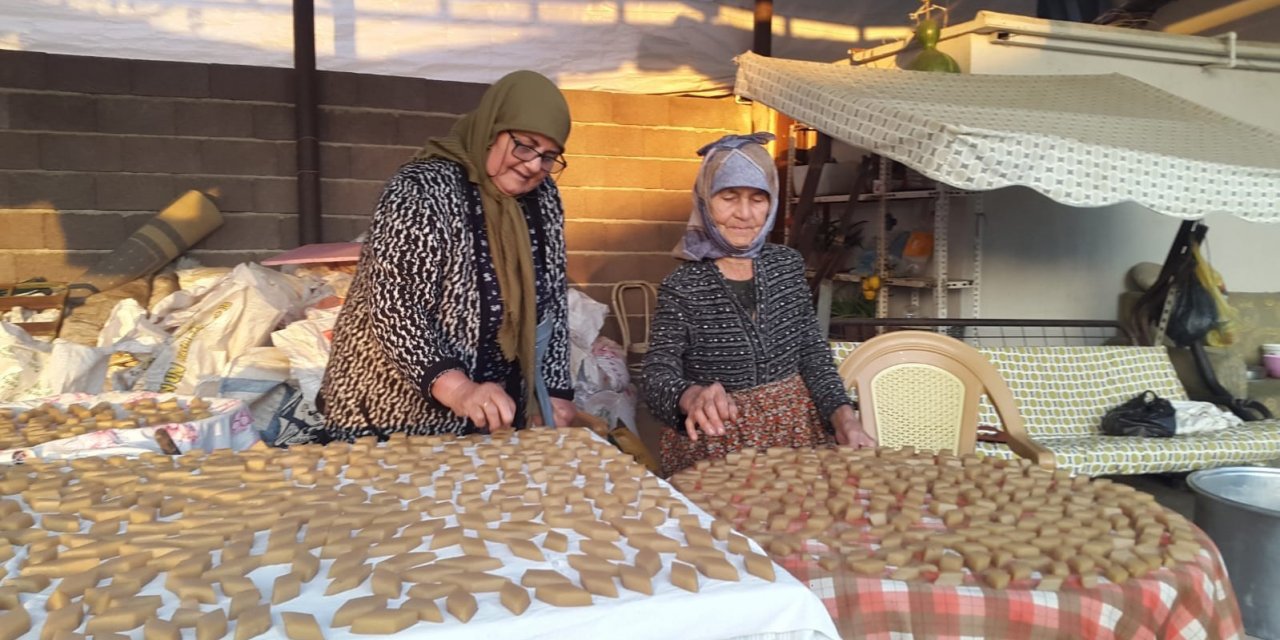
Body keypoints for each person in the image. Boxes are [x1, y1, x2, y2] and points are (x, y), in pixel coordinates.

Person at [316, 70, 577, 441]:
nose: (535, 165)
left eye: (549, 156)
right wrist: (458, 389)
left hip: (489, 412)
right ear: (493, 130)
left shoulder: (543, 198)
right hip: (392, 408)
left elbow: (552, 300)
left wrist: (554, 392)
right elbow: (396, 306)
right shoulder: (422, 188)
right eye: (525, 145)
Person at [642, 132, 874, 477]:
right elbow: (656, 374)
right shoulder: (684, 285)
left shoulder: (787, 265)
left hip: (798, 435)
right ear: (705, 200)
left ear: (772, 202)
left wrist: (844, 417)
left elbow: (812, 353)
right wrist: (690, 395)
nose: (744, 214)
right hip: (720, 443)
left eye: (758, 198)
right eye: (728, 197)